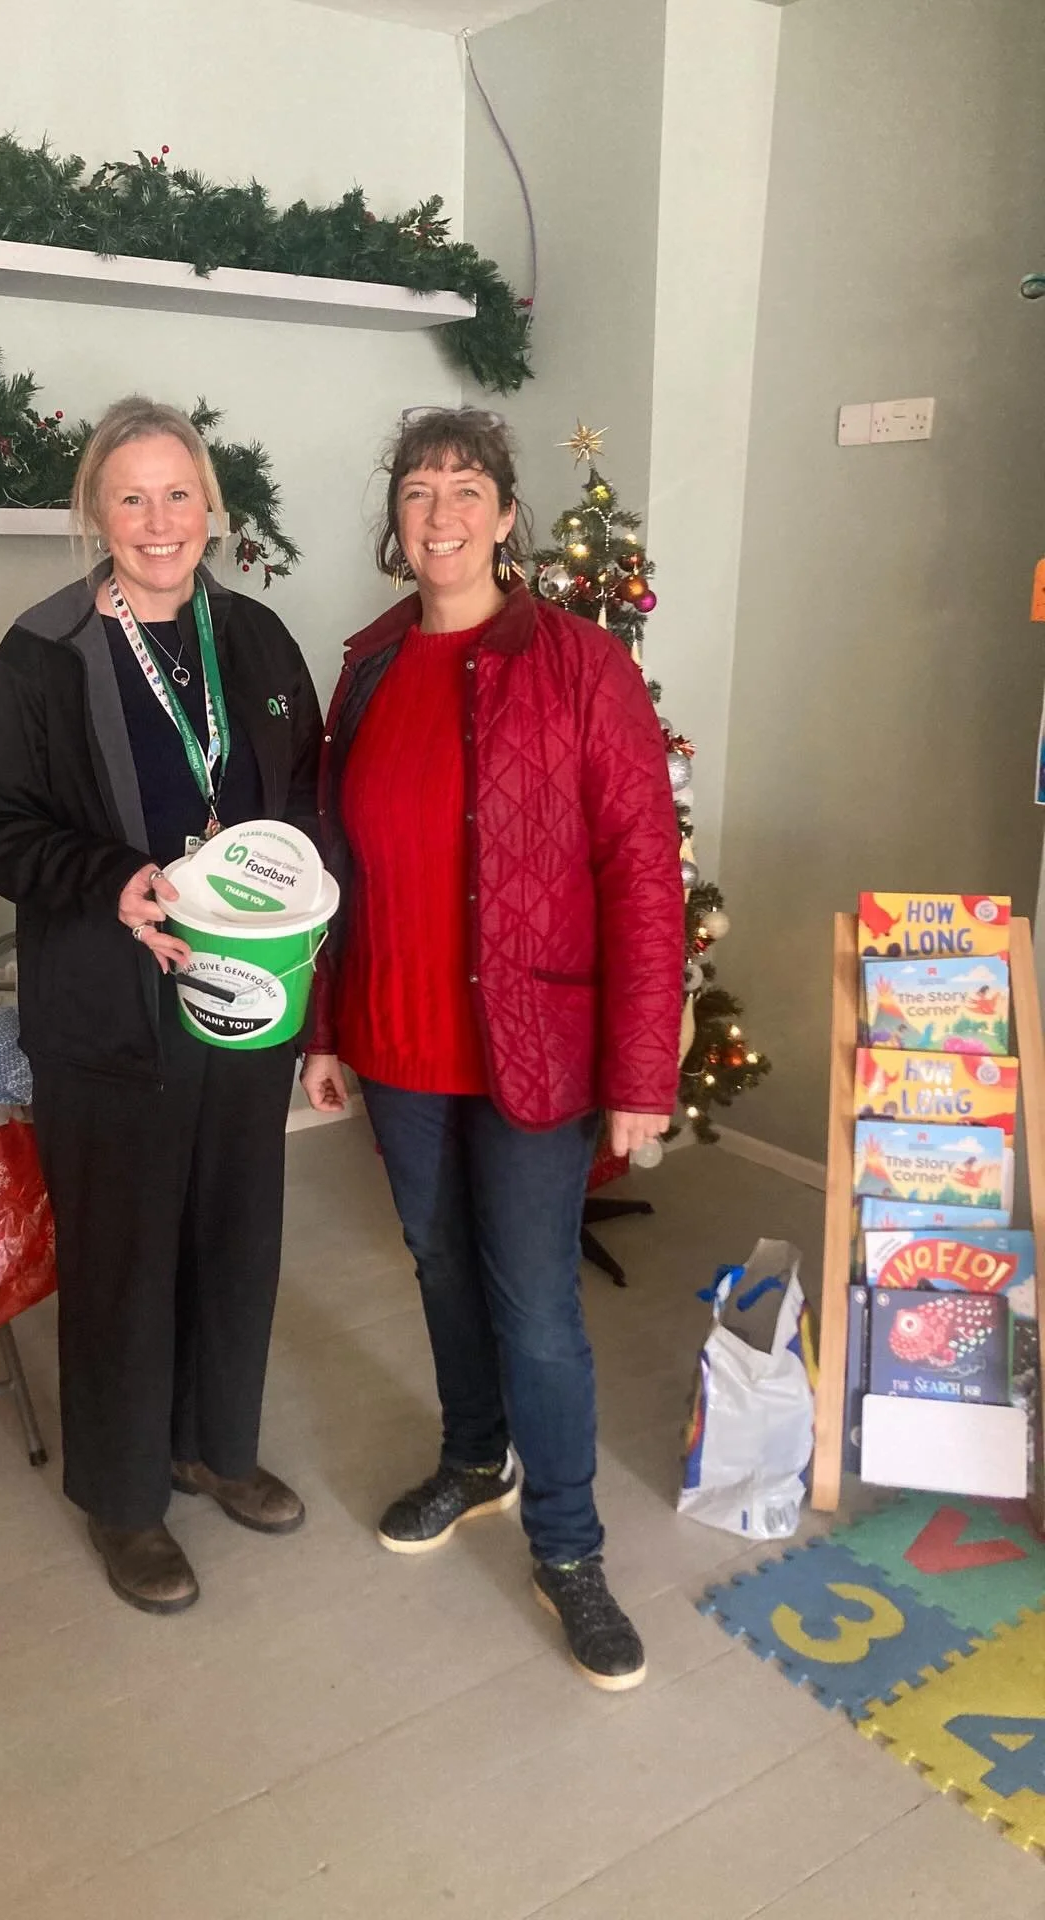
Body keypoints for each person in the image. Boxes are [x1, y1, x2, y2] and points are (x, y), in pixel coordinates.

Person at [301, 407, 683, 1690]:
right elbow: (326, 869)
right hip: (400, 1036)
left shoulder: (582, 666)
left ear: (506, 516)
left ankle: (568, 1548)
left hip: (535, 1045)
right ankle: (476, 1461)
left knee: (536, 1304)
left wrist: (640, 1072)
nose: (443, 511)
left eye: (467, 488)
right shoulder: (362, 669)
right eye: (419, 490)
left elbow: (642, 869)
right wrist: (321, 1026)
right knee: (438, 1261)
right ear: (396, 524)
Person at [0, 397, 323, 1615]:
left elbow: (313, 810)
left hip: (245, 1007)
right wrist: (110, 881)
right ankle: (124, 1503)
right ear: (93, 514)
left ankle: (215, 1446)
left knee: (235, 1234)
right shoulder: (46, 651)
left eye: (179, 495)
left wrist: (299, 904)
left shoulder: (261, 643)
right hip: (108, 1019)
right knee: (122, 1258)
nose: (159, 522)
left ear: (211, 507)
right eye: (132, 497)